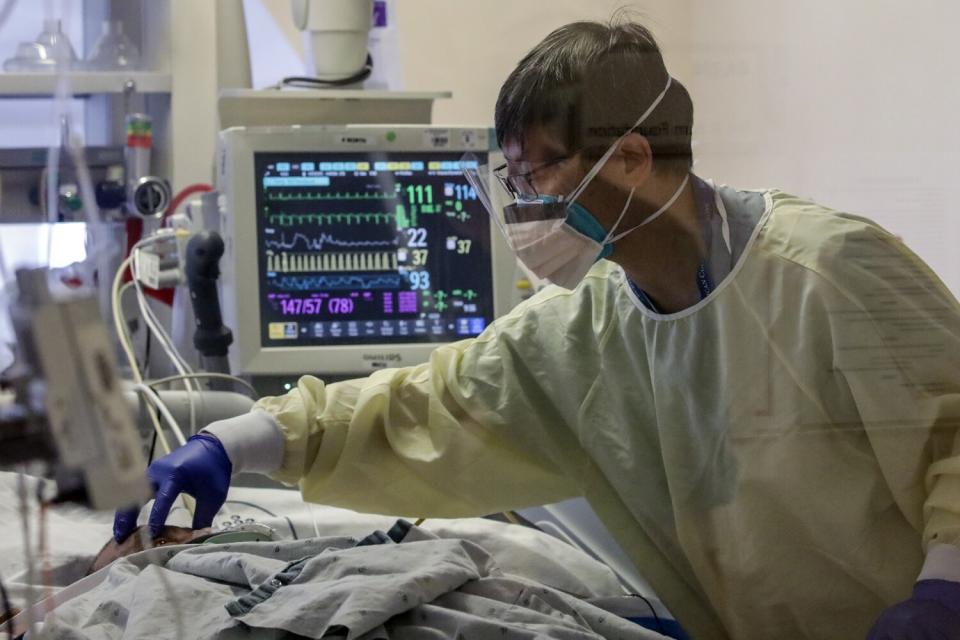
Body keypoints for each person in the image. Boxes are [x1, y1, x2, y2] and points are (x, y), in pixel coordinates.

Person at [115, 16, 960, 640]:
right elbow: (431, 403)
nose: (521, 205)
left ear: (630, 158)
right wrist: (243, 440)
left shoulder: (826, 268)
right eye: (510, 177)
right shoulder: (591, 322)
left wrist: (944, 593)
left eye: (542, 171)